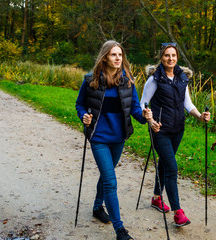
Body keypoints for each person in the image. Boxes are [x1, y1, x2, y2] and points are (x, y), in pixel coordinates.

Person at [76, 40, 152, 240]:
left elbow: (134, 108)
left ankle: (96, 207)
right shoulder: (90, 80)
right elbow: (80, 104)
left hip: (119, 138)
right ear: (104, 57)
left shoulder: (127, 81)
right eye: (113, 55)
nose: (118, 58)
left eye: (120, 55)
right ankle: (120, 230)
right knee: (110, 181)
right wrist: (83, 116)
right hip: (99, 138)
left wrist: (143, 115)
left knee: (106, 174)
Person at [140, 43, 211, 227]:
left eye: (173, 55)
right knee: (172, 168)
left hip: (178, 129)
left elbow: (188, 104)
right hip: (160, 130)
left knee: (165, 163)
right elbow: (143, 105)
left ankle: (157, 198)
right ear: (161, 58)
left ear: (177, 57)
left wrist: (200, 117)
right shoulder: (154, 79)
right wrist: (151, 121)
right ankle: (178, 212)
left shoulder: (181, 78)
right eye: (166, 55)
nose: (170, 58)